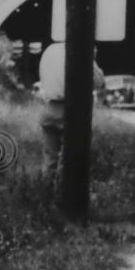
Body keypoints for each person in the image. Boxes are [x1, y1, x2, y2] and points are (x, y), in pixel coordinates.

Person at [38, 43, 105, 177]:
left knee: (50, 160)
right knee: (71, 159)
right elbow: (98, 81)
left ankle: (46, 192)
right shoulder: (80, 50)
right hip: (71, 111)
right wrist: (92, 58)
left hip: (49, 108)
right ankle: (65, 194)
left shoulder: (49, 51)